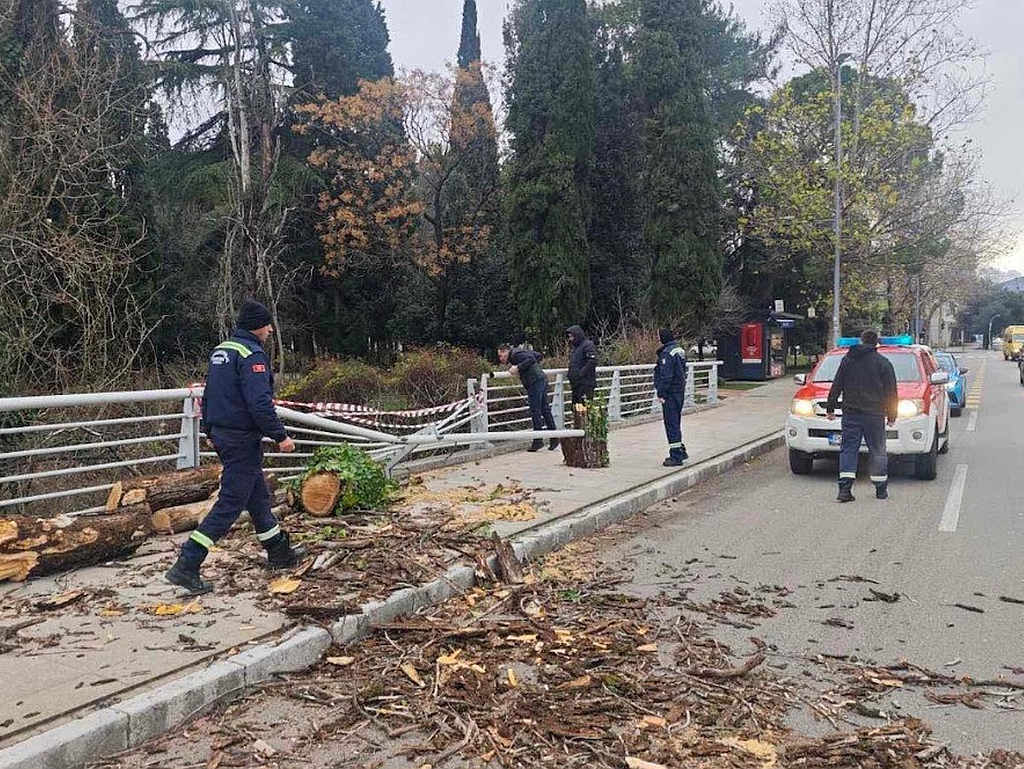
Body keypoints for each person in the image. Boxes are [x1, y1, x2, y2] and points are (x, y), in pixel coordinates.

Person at [166, 299, 305, 595]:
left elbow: (212, 394)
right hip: (241, 438)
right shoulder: (252, 355)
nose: (269, 330)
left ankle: (278, 551)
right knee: (230, 503)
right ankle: (187, 564)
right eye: (267, 325)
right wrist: (281, 436)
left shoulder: (223, 350)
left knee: (256, 495)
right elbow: (259, 403)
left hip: (223, 433)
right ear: (257, 326)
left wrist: (208, 429)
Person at [825, 329, 898, 502]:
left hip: (851, 413)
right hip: (874, 414)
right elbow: (891, 392)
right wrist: (892, 415)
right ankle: (881, 490)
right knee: (878, 450)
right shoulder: (883, 363)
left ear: (861, 340)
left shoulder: (848, 360)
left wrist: (830, 407)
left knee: (849, 449)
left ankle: (844, 490)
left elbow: (837, 384)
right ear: (876, 344)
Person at [498, 343, 559, 452]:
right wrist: (526, 369)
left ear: (506, 351)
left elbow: (531, 359)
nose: (501, 359)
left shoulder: (515, 355)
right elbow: (538, 356)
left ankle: (538, 440)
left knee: (535, 411)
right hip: (540, 379)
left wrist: (518, 367)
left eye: (501, 355)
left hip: (534, 382)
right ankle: (554, 438)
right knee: (545, 410)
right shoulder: (519, 352)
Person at [654, 328, 688, 466]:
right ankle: (680, 450)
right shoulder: (679, 350)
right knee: (676, 422)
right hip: (679, 391)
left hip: (670, 393)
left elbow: (666, 376)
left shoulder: (667, 354)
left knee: (671, 423)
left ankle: (676, 456)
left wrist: (661, 393)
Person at [566, 325, 598, 405]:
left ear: (577, 335)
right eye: (569, 337)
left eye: (571, 337)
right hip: (576, 384)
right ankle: (577, 417)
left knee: (585, 407)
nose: (570, 339)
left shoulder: (588, 345)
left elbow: (592, 361)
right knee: (576, 407)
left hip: (585, 383)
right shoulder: (575, 348)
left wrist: (580, 373)